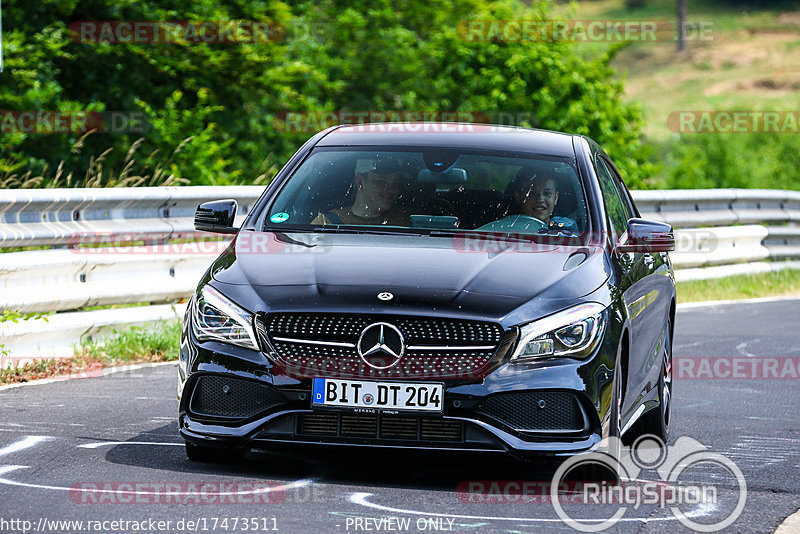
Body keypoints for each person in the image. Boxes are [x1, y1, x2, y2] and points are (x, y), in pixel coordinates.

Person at [312, 157, 410, 226]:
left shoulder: (408, 221)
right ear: (359, 182)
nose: (390, 190)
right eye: (381, 182)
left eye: (396, 183)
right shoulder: (326, 223)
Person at [506, 166, 578, 234]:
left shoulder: (564, 234)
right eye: (532, 193)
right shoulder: (501, 229)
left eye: (547, 193)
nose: (540, 199)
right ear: (518, 196)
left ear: (556, 198)